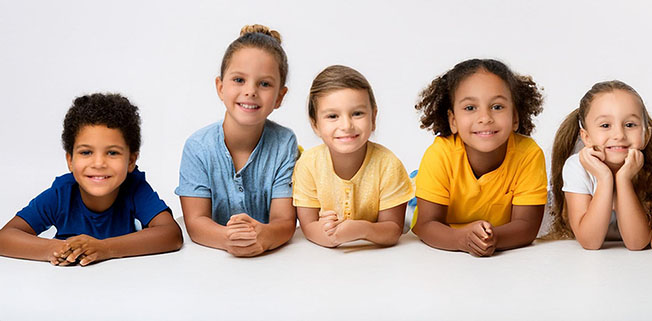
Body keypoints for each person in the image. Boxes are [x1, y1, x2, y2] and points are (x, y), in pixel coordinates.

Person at [0, 93, 182, 266]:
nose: (99, 163)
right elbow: (5, 237)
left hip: (123, 282)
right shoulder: (61, 194)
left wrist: (105, 248)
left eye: (112, 153)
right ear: (70, 160)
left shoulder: (134, 188)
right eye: (86, 152)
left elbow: (171, 234)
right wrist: (56, 249)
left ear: (131, 161)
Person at [176, 24, 297, 257]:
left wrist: (263, 237)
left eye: (265, 84)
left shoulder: (284, 143)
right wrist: (230, 239)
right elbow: (196, 222)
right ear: (220, 88)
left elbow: (284, 221)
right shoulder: (198, 147)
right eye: (239, 80)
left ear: (280, 97)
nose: (251, 91)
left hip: (272, 266)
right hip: (210, 264)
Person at [412, 58, 547, 257]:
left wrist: (493, 238)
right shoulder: (440, 154)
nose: (485, 118)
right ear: (453, 120)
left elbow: (527, 227)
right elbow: (425, 224)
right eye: (470, 108)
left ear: (515, 117)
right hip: (422, 198)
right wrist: (461, 239)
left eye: (497, 107)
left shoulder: (529, 154)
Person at [293, 65, 414, 247]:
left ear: (373, 118)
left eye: (357, 113)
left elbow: (393, 230)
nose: (347, 125)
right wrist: (326, 232)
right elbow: (308, 225)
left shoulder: (388, 164)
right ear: (315, 124)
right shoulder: (308, 165)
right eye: (333, 116)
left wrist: (362, 229)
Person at [547, 80, 652, 250]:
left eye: (630, 125)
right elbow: (590, 242)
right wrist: (604, 179)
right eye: (605, 125)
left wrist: (623, 180)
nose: (619, 134)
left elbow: (637, 243)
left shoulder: (647, 166)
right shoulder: (577, 167)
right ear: (586, 136)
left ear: (646, 135)